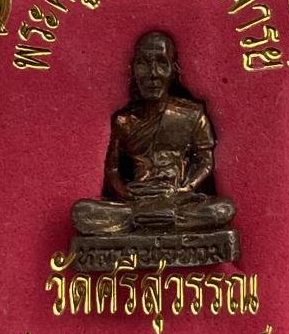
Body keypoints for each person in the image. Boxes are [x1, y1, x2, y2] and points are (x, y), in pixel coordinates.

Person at [71, 30, 236, 236]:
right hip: (136, 200)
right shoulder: (124, 122)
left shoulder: (191, 114)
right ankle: (155, 220)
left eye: (162, 63)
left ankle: (154, 220)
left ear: (174, 70)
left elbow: (205, 160)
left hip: (176, 198)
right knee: (81, 211)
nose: (153, 74)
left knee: (223, 209)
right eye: (143, 64)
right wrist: (126, 193)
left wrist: (185, 189)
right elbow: (112, 169)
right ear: (133, 71)